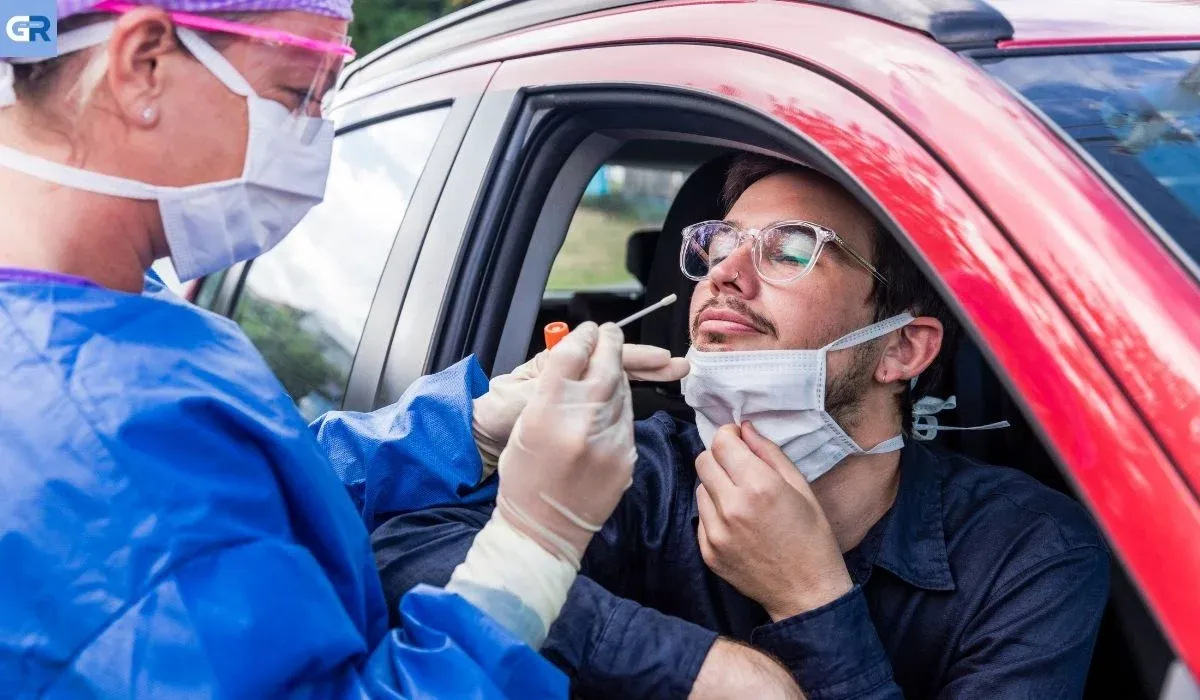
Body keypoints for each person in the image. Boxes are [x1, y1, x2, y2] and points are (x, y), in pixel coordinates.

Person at [0, 1, 690, 696]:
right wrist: (535, 543)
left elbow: (256, 500)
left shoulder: (113, 304)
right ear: (142, 64)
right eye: (297, 94)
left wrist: (470, 427)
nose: (314, 140)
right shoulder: (82, 435)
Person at [371, 154, 1112, 699]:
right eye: (721, 246)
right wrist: (699, 669)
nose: (725, 273)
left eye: (790, 249)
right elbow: (401, 551)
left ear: (900, 348)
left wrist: (812, 601)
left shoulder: (1033, 553)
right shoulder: (634, 469)